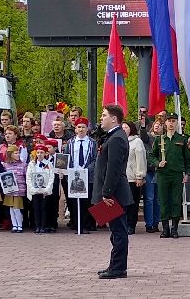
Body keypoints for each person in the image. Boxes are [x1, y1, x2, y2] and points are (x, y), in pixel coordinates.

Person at [92, 104, 133, 279]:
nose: (101, 118)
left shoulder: (116, 138)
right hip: (112, 191)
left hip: (114, 193)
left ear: (114, 119)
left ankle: (118, 268)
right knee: (115, 231)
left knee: (118, 232)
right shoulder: (114, 136)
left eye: (104, 115)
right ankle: (115, 265)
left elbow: (113, 168)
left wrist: (107, 192)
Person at [153, 113, 189, 238]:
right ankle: (165, 229)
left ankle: (174, 228)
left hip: (177, 174)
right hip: (163, 174)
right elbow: (151, 155)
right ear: (165, 123)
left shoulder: (182, 139)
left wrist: (187, 173)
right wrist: (157, 163)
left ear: (177, 123)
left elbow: (187, 159)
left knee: (176, 201)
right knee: (163, 201)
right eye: (169, 121)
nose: (171, 123)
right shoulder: (160, 139)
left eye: (174, 121)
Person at [63, 119, 97, 233]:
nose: (81, 129)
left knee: (87, 201)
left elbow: (94, 159)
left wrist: (87, 169)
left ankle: (86, 225)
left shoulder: (92, 142)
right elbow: (66, 157)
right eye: (79, 127)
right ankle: (77, 224)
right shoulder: (71, 142)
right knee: (75, 201)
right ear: (75, 129)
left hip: (88, 175)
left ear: (87, 129)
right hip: (74, 175)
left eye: (83, 127)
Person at [124, 121, 147, 233]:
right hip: (121, 177)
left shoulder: (137, 142)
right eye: (122, 127)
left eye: (126, 127)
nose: (124, 129)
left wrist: (140, 175)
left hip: (132, 178)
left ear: (131, 129)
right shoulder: (119, 140)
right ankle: (123, 224)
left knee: (132, 203)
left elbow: (140, 160)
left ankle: (131, 225)